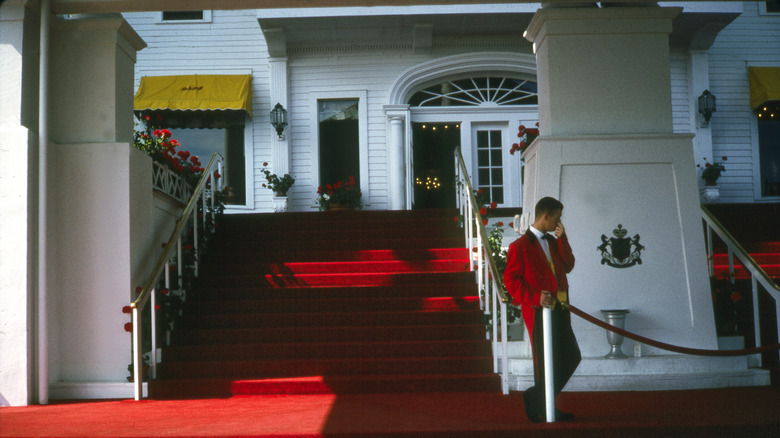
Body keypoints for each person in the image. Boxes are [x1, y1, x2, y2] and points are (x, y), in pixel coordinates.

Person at [503, 196, 581, 423]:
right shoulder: (519, 246)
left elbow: (569, 265)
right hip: (539, 312)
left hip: (560, 309)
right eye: (557, 217)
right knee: (546, 362)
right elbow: (511, 281)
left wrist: (562, 238)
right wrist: (535, 297)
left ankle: (536, 397)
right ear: (545, 216)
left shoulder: (554, 240)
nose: (559, 221)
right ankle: (547, 407)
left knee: (571, 356)